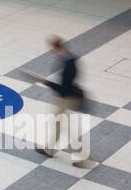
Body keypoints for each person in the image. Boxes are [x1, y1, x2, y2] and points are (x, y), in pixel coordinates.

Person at [28, 38, 95, 168]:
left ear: (55, 48)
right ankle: (49, 149)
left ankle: (85, 156)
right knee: (58, 124)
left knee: (68, 129)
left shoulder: (68, 63)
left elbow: (63, 88)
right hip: (67, 97)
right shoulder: (70, 58)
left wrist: (44, 81)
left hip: (66, 99)